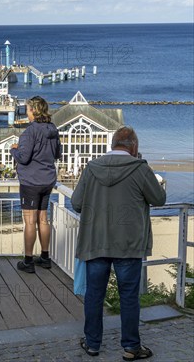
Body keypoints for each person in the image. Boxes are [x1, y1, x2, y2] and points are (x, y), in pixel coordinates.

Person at [71, 126, 165, 360]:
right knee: (129, 296)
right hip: (129, 243)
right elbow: (159, 199)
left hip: (96, 242)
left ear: (112, 144)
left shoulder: (92, 168)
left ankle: (92, 344)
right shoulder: (139, 168)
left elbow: (76, 203)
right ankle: (131, 347)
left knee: (94, 295)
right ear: (134, 147)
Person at [10, 96, 61, 273]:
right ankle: (45, 257)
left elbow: (23, 158)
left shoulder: (30, 131)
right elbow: (57, 154)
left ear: (33, 110)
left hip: (31, 181)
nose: (26, 111)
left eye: (27, 108)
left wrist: (14, 150)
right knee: (43, 219)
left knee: (30, 221)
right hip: (47, 179)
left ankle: (28, 261)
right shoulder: (53, 129)